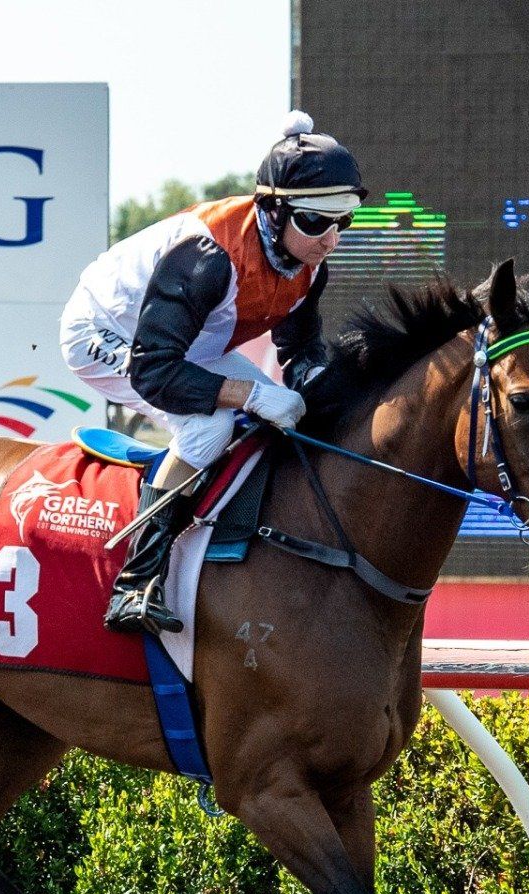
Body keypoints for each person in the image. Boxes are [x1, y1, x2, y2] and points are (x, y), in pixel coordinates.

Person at [59, 111, 366, 635]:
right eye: (316, 222)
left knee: (283, 408)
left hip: (187, 341)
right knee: (209, 426)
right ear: (272, 212)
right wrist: (245, 394)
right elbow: (157, 373)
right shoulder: (207, 258)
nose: (330, 240)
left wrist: (326, 389)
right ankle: (135, 583)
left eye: (344, 221)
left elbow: (300, 348)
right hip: (108, 333)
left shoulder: (310, 263)